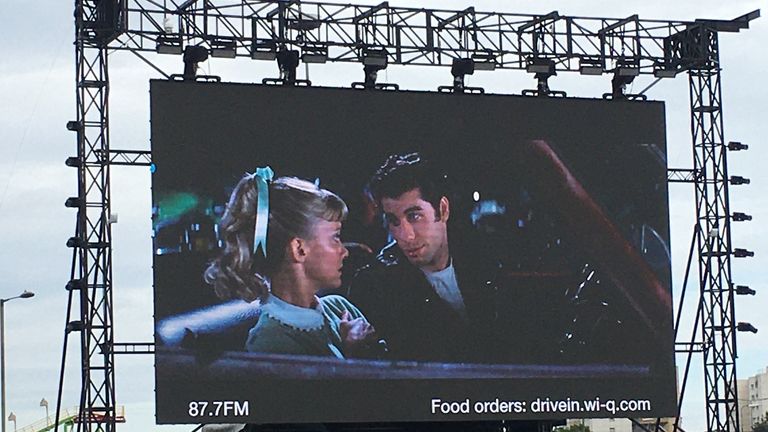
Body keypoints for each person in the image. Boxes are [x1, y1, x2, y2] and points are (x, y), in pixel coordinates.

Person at [204, 170, 376, 358]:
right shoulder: (269, 344)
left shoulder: (339, 307)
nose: (345, 251)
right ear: (299, 249)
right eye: (335, 238)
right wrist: (354, 355)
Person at [348, 153, 500, 363]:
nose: (405, 236)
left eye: (414, 216)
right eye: (393, 221)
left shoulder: (489, 257)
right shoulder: (375, 285)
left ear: (443, 210)